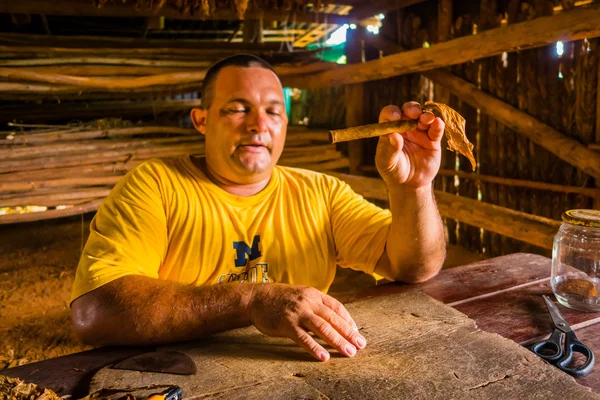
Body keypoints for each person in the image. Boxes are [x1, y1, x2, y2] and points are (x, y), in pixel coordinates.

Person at [71, 54, 446, 362]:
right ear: (201, 120)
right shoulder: (155, 186)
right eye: (237, 108)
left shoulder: (321, 193)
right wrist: (252, 299)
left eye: (273, 111)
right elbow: (95, 312)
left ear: (285, 123)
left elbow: (414, 266)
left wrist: (413, 187)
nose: (258, 125)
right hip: (175, 377)